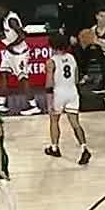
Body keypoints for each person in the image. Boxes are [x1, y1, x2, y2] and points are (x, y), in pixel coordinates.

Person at [43, 33, 91, 165]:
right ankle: (84, 148)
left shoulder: (51, 62)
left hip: (59, 93)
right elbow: (76, 79)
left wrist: (49, 103)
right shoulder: (71, 57)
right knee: (75, 123)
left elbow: (49, 84)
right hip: (72, 92)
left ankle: (54, 148)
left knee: (54, 121)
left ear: (52, 45)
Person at [0, 2, 39, 115]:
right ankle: (1, 103)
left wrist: (11, 44)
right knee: (3, 74)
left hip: (20, 54)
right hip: (10, 54)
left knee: (23, 80)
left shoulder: (11, 20)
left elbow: (22, 35)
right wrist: (5, 38)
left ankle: (34, 106)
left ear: (5, 8)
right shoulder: (5, 19)